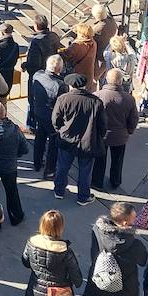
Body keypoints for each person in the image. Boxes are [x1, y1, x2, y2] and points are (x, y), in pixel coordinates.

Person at [50, 74, 106, 204]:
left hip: (67, 140)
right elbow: (102, 125)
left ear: (70, 86)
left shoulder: (63, 99)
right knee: (85, 171)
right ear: (85, 85)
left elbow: (55, 120)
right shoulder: (96, 102)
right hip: (87, 142)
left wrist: (61, 131)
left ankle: (59, 190)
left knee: (62, 166)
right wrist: (98, 137)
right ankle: (83, 196)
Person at [92, 69, 138, 191]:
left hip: (101, 135)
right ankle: (115, 181)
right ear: (121, 81)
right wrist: (129, 131)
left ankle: (97, 182)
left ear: (107, 79)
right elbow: (133, 119)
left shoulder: (97, 96)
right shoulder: (129, 98)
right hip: (120, 136)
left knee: (99, 160)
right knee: (117, 160)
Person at [28, 54, 65, 177]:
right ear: (60, 69)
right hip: (51, 116)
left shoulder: (37, 75)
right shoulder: (60, 85)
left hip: (38, 111)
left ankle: (37, 163)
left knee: (40, 137)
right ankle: (50, 170)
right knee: (53, 143)